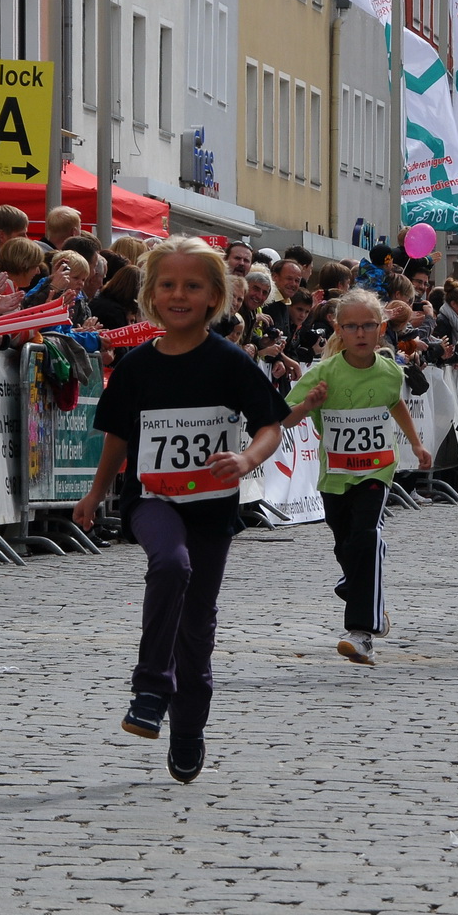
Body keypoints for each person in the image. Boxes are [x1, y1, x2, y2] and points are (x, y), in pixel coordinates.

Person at [74, 237, 288, 783]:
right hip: (152, 499)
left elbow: (270, 425)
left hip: (212, 509)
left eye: (192, 286)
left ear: (216, 296)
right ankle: (150, 687)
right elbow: (119, 438)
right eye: (167, 284)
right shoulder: (136, 366)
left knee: (197, 628)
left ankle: (189, 728)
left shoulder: (230, 361)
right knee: (171, 564)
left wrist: (246, 458)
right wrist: (95, 493)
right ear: (149, 294)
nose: (178, 294)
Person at [283, 290, 432, 665]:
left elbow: (395, 403)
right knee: (345, 543)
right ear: (339, 329)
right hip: (335, 473)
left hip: (377, 468)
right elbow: (283, 417)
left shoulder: (389, 371)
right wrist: (307, 405)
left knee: (367, 536)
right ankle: (359, 587)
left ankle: (361, 632)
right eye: (351, 326)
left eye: (368, 325)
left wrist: (416, 445)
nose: (361, 333)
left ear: (381, 328)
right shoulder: (323, 372)